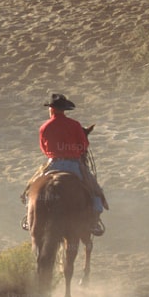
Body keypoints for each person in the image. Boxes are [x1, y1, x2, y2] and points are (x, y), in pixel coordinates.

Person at [21, 93, 107, 235]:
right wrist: (74, 150)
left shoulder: (44, 127)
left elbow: (43, 148)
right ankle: (94, 221)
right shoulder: (75, 125)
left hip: (53, 163)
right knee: (95, 190)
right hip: (73, 164)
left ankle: (29, 216)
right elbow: (83, 145)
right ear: (64, 109)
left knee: (30, 188)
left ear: (51, 109)